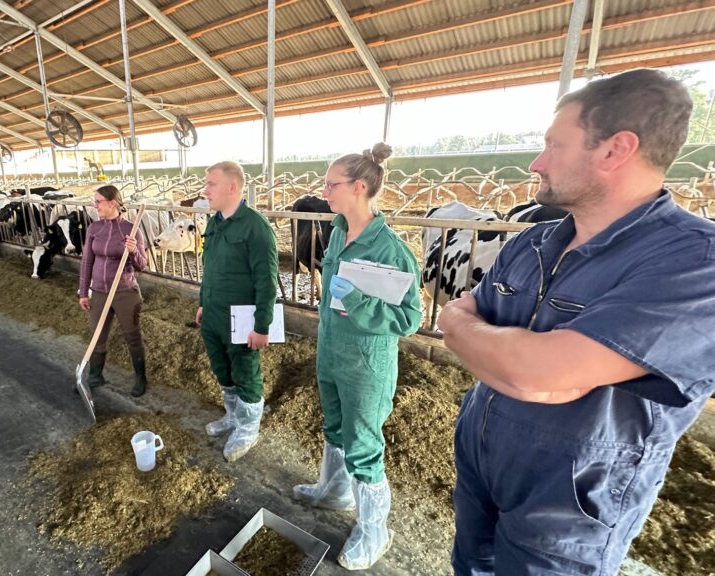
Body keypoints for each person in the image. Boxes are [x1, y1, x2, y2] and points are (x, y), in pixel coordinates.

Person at [439, 68, 715, 575]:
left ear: (615, 150)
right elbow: (465, 319)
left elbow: (532, 371)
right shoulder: (530, 242)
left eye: (553, 145)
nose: (536, 162)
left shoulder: (696, 262)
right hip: (480, 465)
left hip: (569, 508)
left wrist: (468, 333)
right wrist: (503, 352)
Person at [291, 144, 422, 570]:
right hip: (331, 352)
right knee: (333, 426)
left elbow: (409, 319)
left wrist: (361, 304)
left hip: (366, 363)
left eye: (332, 184)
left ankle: (374, 531)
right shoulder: (336, 232)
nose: (324, 191)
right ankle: (335, 491)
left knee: (364, 446)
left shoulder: (390, 250)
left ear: (359, 187)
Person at [196, 161, 279, 462]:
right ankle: (233, 416)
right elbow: (210, 268)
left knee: (245, 373)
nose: (205, 190)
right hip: (214, 314)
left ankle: (248, 428)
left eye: (211, 184)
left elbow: (267, 282)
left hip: (241, 319)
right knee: (222, 369)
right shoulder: (214, 222)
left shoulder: (256, 227)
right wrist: (203, 303)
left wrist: (262, 326)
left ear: (232, 187)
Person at [77, 185, 150, 397]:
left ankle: (140, 377)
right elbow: (86, 262)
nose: (95, 205)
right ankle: (95, 376)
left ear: (112, 203)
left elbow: (142, 265)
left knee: (132, 336)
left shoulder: (131, 229)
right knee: (97, 335)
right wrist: (83, 292)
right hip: (99, 291)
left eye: (98, 201)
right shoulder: (94, 229)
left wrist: (133, 250)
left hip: (125, 292)